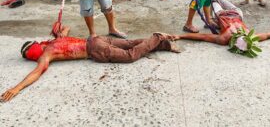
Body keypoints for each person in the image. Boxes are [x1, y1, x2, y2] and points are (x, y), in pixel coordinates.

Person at [0, 27, 180, 102]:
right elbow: (66, 30)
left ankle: (157, 37)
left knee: (130, 55)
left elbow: (37, 73)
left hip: (94, 49)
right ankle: (164, 44)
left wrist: (17, 88)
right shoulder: (50, 43)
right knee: (131, 43)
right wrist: (58, 30)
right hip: (95, 39)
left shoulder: (47, 53)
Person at [178, 0, 270, 46]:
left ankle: (211, 20)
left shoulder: (224, 38)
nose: (237, 30)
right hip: (235, 13)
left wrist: (179, 36)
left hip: (224, 14)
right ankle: (211, 20)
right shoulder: (249, 37)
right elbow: (267, 35)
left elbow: (203, 36)